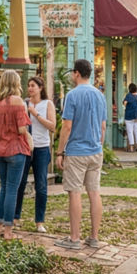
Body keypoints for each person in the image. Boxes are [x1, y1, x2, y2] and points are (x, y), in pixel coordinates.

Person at [55, 58, 107, 251]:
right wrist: (98, 146)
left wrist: (60, 151)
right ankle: (94, 237)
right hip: (95, 150)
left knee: (75, 193)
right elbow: (103, 126)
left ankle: (75, 238)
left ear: (76, 73)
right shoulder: (100, 95)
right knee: (94, 193)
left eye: (72, 72)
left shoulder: (72, 95)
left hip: (77, 150)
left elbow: (67, 126)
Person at [0, 70, 31, 241]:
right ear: (16, 83)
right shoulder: (18, 101)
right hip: (16, 149)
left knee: (3, 188)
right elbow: (21, 129)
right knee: (12, 189)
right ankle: (8, 231)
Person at [15, 74, 56, 233]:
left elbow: (52, 126)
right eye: (29, 85)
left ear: (40, 88)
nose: (30, 88)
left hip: (41, 147)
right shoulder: (23, 103)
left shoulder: (47, 104)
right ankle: (15, 217)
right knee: (20, 182)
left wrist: (35, 113)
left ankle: (39, 221)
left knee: (41, 184)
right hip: (25, 147)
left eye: (33, 85)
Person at [123, 82, 137, 152]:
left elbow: (125, 102)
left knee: (130, 131)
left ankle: (131, 147)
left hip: (129, 115)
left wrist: (126, 103)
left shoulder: (128, 96)